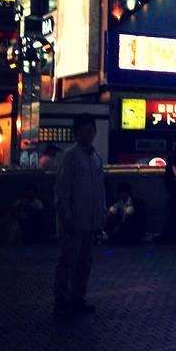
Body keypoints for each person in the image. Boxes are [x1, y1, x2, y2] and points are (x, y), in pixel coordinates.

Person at [53, 114, 106, 318]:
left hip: (90, 221)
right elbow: (62, 190)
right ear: (76, 133)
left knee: (85, 262)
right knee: (68, 262)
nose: (87, 134)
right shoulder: (70, 157)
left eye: (90, 130)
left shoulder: (96, 157)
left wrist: (101, 212)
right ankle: (62, 301)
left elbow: (100, 188)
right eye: (83, 131)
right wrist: (66, 216)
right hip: (74, 220)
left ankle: (77, 298)